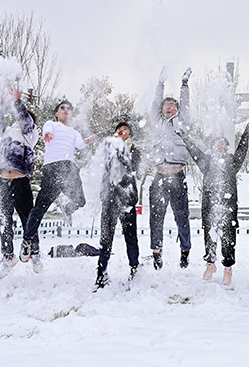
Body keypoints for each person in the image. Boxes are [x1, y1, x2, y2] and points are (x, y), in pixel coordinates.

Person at [22, 99, 96, 272]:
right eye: (62, 108)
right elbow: (46, 131)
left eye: (69, 109)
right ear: (56, 113)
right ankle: (27, 240)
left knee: (80, 200)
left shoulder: (74, 131)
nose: (66, 110)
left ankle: (68, 209)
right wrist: (47, 134)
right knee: (40, 207)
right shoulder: (51, 124)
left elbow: (78, 145)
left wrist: (87, 141)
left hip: (69, 168)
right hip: (53, 167)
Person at [182, 121, 249, 285]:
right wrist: (185, 138)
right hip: (210, 206)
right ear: (213, 147)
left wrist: (246, 134)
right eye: (218, 143)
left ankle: (227, 268)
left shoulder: (232, 162)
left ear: (227, 147)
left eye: (224, 144)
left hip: (228, 207)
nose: (221, 145)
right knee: (210, 236)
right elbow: (194, 152)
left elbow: (242, 150)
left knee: (228, 238)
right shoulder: (206, 161)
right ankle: (210, 263)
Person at [149, 67, 193, 270]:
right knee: (155, 218)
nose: (169, 106)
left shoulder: (182, 122)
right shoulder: (156, 121)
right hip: (159, 176)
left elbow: (186, 105)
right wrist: (160, 84)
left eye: (172, 104)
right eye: (166, 104)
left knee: (182, 217)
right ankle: (156, 252)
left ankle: (185, 251)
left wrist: (184, 85)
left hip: (177, 176)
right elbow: (155, 102)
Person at [0, 86, 38, 278]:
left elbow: (26, 120)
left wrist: (18, 101)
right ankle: (8, 257)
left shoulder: (30, 134)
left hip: (21, 183)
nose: (18, 120)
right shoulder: (7, 133)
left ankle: (34, 253)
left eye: (22, 117)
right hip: (3, 182)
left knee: (28, 219)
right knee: (4, 221)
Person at [94, 122, 141, 290]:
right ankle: (101, 272)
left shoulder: (134, 150)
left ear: (129, 134)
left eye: (125, 129)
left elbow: (132, 167)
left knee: (130, 237)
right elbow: (102, 167)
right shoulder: (108, 149)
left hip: (127, 198)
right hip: (110, 198)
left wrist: (119, 149)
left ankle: (134, 269)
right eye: (118, 129)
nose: (121, 131)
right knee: (105, 238)